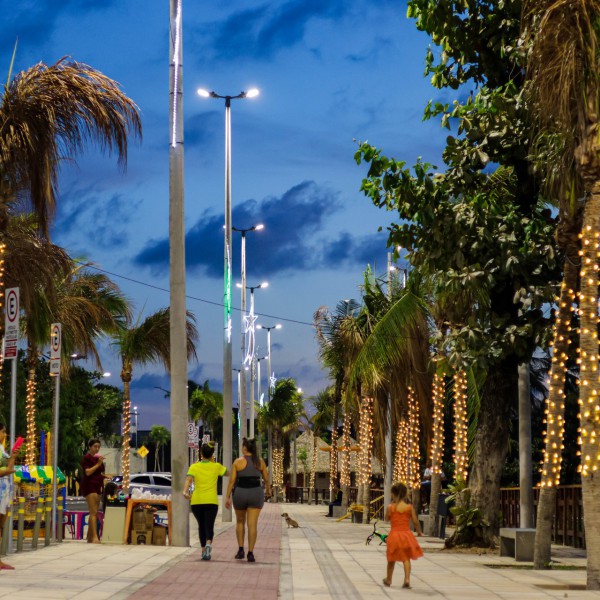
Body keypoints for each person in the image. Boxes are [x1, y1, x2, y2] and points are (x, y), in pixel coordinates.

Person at [225, 437, 271, 563]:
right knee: (252, 524)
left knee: (240, 522)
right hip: (255, 493)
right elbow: (266, 479)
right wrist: (268, 490)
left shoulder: (237, 462)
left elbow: (232, 481)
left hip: (240, 493)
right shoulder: (260, 462)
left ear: (244, 448)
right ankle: (250, 553)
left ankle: (240, 550)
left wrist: (227, 497)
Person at [183, 442, 229, 560]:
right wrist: (214, 464)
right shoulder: (216, 466)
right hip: (211, 501)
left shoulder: (194, 466)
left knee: (201, 526)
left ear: (201, 454)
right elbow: (228, 473)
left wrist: (185, 492)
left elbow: (188, 480)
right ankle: (209, 543)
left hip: (196, 501)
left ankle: (203, 550)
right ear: (212, 454)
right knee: (209, 525)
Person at [382, 481, 423, 589]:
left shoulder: (391, 507)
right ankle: (407, 579)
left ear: (393, 494)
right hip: (406, 535)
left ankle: (389, 579)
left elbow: (386, 519)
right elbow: (415, 521)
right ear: (405, 494)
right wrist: (418, 531)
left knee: (391, 559)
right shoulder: (409, 507)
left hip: (394, 535)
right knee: (406, 558)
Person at [80, 439, 108, 543]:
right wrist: (98, 464)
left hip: (98, 486)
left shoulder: (98, 459)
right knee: (93, 512)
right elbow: (88, 472)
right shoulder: (87, 458)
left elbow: (99, 472)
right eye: (95, 446)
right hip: (89, 486)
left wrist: (106, 476)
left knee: (96, 512)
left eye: (98, 447)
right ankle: (95, 537)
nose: (97, 449)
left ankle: (89, 537)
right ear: (90, 447)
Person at [0, 424, 17, 569]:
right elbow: (6, 470)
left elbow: (9, 468)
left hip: (4, 490)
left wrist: (13, 457)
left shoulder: (1, 448)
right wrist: (9, 470)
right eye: (3, 431)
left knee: (1, 525)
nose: (5, 434)